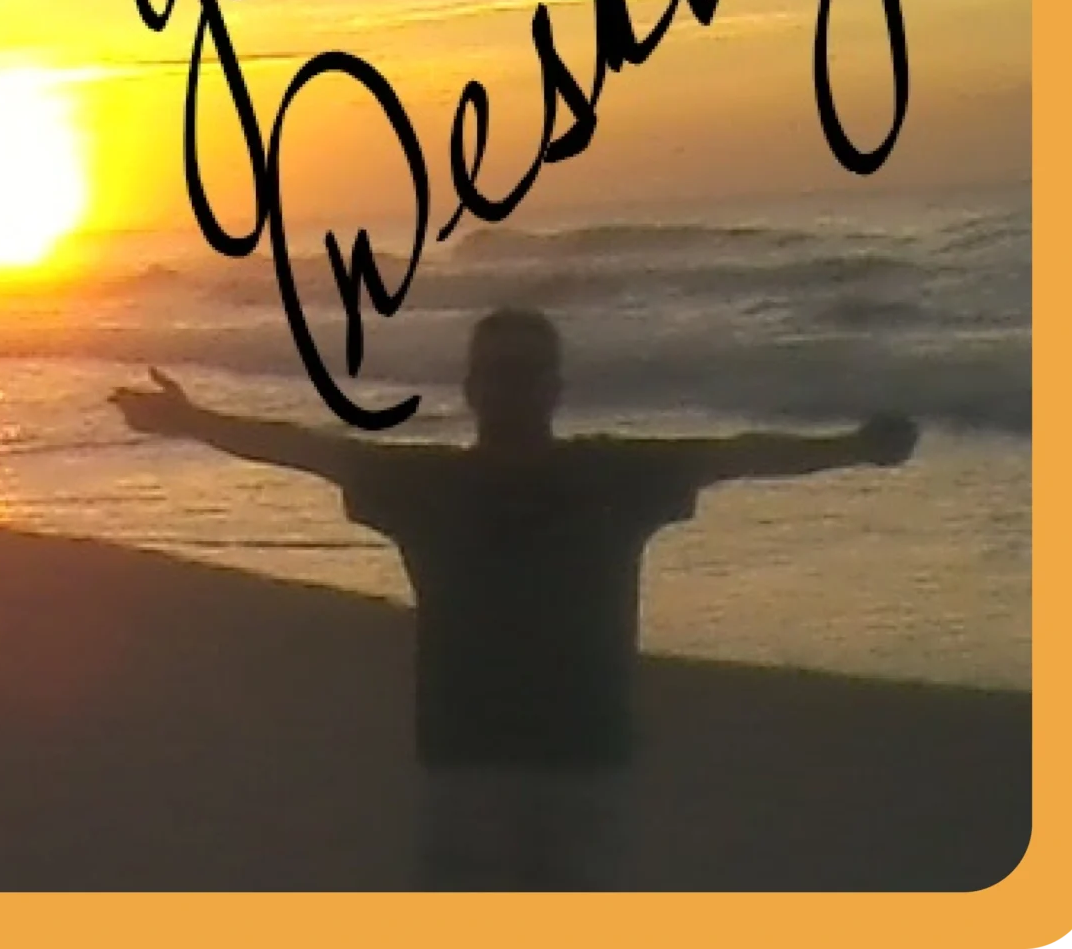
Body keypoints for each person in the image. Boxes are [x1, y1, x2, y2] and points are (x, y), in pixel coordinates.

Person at [108, 307, 918, 891]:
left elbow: (740, 456)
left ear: (556, 386)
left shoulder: (614, 474)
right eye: (501, 371)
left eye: (528, 371)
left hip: (587, 764)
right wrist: (189, 421)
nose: (515, 386)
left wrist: (850, 448)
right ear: (472, 386)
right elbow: (304, 450)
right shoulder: (425, 484)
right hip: (465, 764)